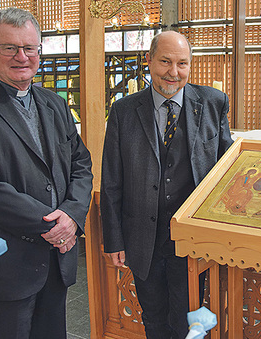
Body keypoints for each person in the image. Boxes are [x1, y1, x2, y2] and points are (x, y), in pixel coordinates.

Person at [0, 7, 93, 338]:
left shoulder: (55, 103)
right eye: (10, 48)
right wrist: (55, 225)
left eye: (30, 48)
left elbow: (80, 162)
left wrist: (72, 216)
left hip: (55, 260)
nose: (22, 57)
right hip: (2, 263)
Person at [100, 30, 233, 339]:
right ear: (149, 61)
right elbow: (112, 181)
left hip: (193, 241)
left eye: (182, 64)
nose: (174, 73)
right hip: (143, 238)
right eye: (165, 62)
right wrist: (115, 240)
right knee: (155, 319)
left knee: (190, 320)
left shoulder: (213, 103)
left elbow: (228, 170)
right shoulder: (123, 111)